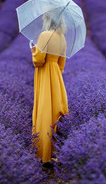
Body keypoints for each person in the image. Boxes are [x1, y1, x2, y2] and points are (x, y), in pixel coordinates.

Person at [31, 11, 69, 164]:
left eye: (44, 17)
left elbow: (38, 61)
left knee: (45, 111)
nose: (42, 19)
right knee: (55, 111)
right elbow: (62, 65)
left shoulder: (45, 36)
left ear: (49, 20)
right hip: (56, 77)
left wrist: (34, 50)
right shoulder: (62, 38)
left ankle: (43, 154)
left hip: (45, 75)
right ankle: (55, 151)